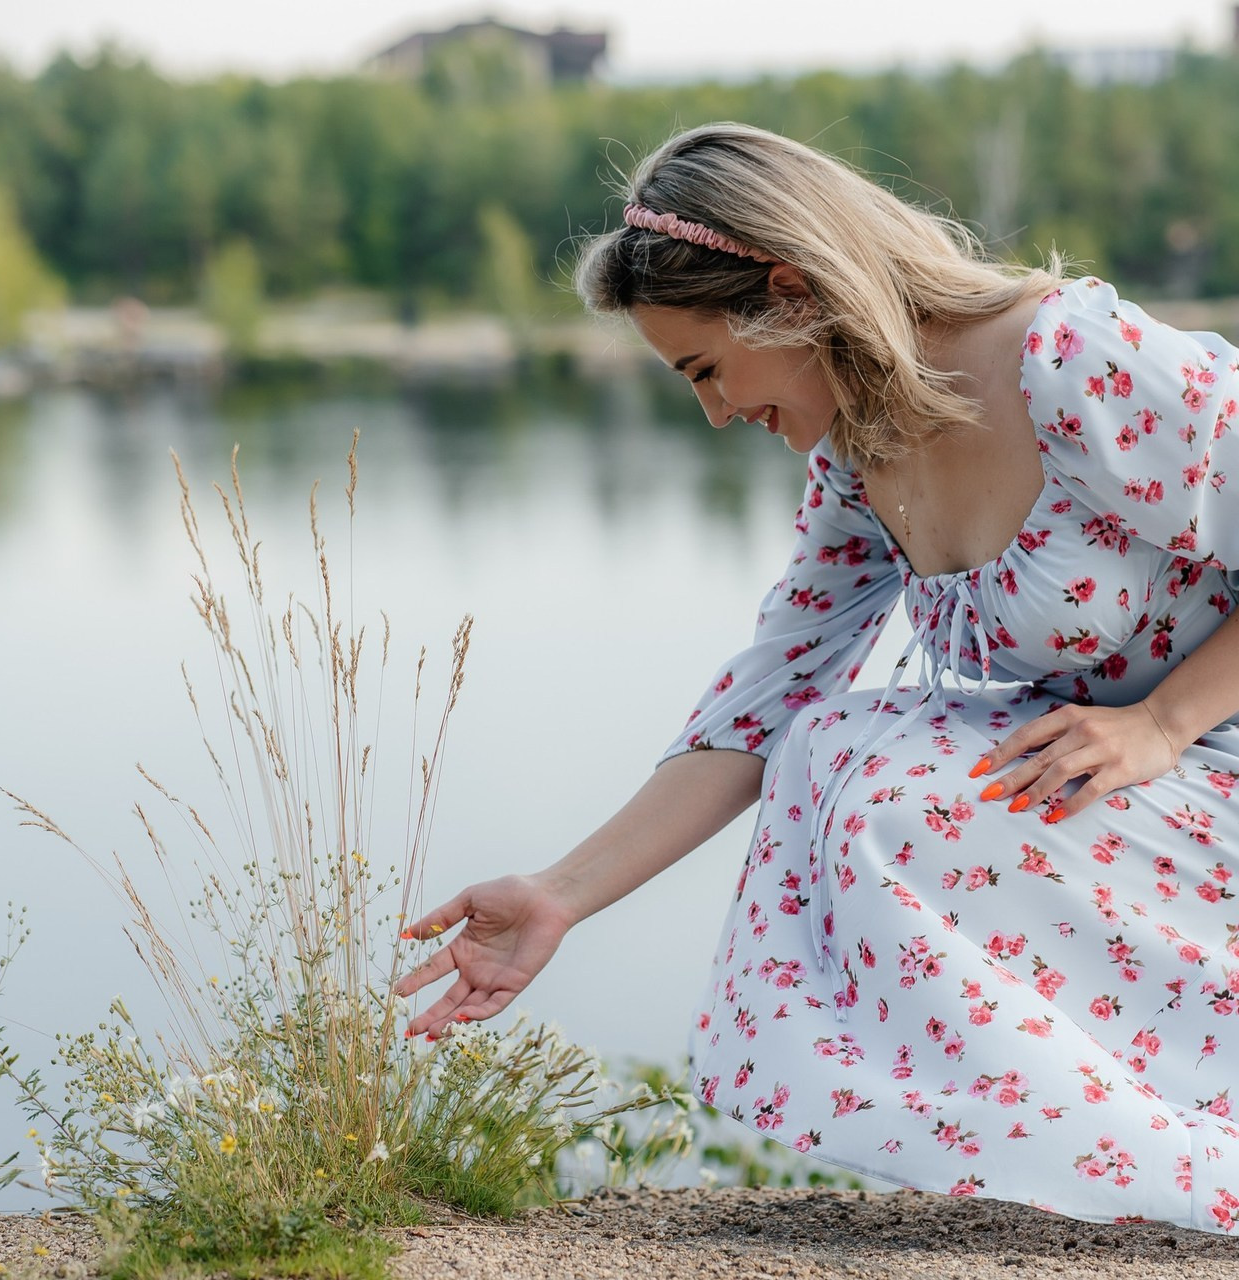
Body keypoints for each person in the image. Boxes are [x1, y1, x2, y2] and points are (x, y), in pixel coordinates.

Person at [397, 122, 1239, 1233]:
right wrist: (561, 892)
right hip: (1146, 786)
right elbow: (763, 701)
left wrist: (1164, 723)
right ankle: (1094, 1150)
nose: (712, 412)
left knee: (874, 768)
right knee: (830, 746)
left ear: (791, 294)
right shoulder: (859, 452)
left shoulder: (1072, 360)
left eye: (705, 368)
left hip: (1195, 757)